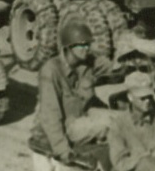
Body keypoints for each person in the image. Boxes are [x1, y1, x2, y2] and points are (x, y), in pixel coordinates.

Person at [30, 17, 112, 161]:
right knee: (110, 125)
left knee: (122, 119)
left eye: (88, 44)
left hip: (82, 116)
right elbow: (50, 115)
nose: (86, 48)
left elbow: (110, 68)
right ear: (68, 47)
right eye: (81, 45)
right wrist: (62, 150)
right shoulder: (51, 70)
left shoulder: (86, 62)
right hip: (64, 127)